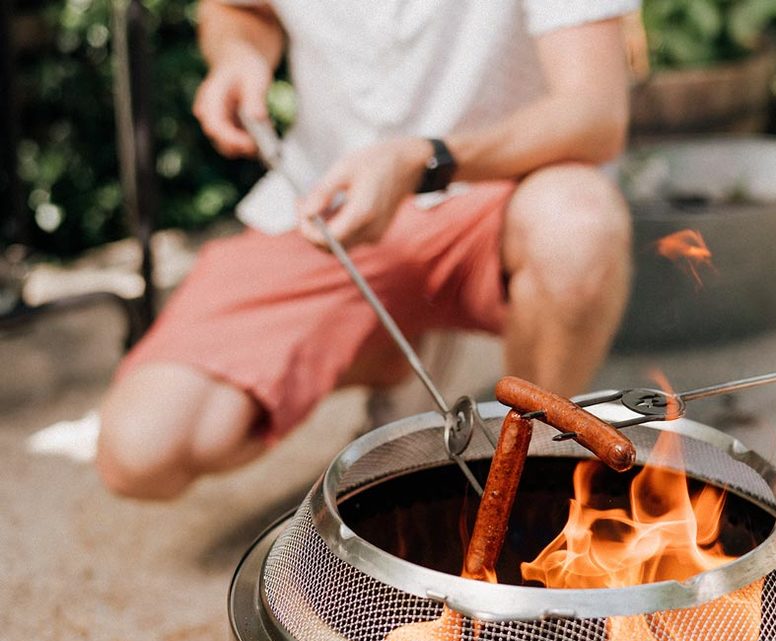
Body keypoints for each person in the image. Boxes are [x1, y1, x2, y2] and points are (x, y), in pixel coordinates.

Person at [97, 0, 638, 500]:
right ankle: (393, 355)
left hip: (499, 195)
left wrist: (422, 161)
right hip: (323, 206)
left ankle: (528, 479)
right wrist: (239, 54)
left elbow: (595, 112)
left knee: (579, 224)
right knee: (141, 452)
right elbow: (237, 8)